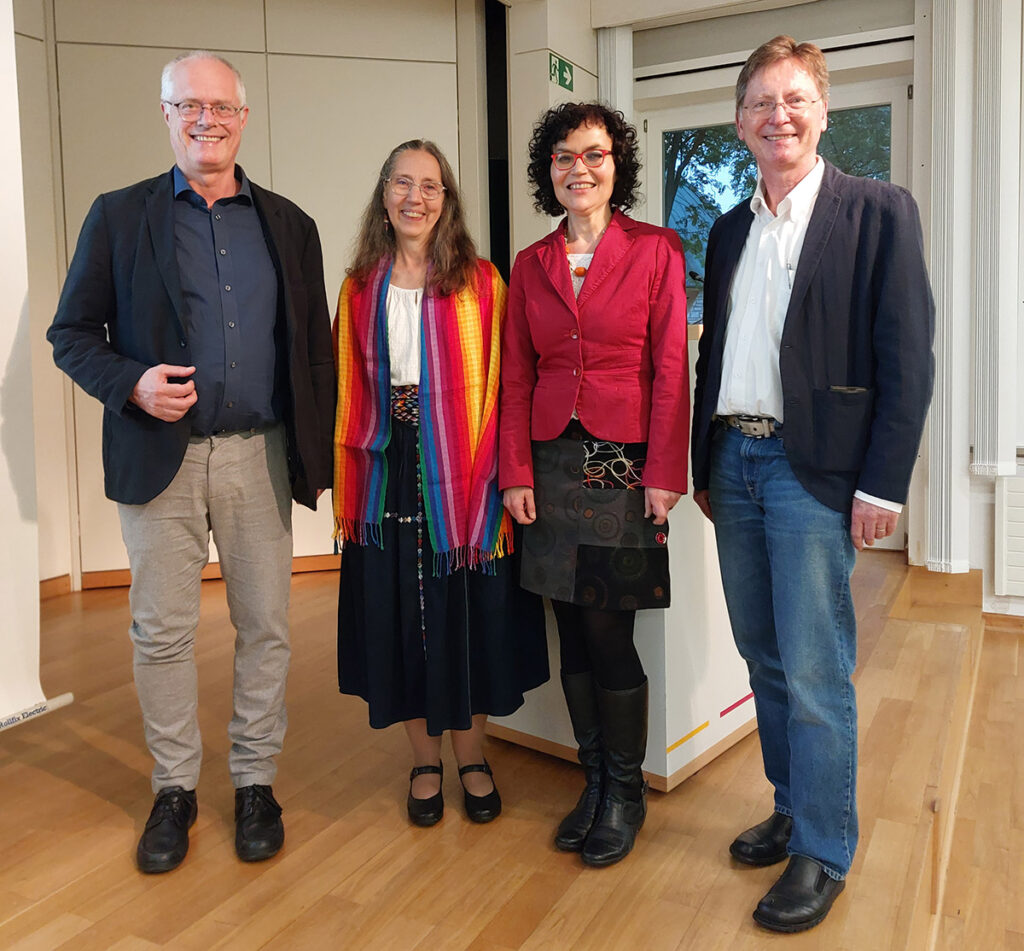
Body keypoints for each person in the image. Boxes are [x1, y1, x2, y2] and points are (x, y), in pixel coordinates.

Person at [47, 51, 336, 873]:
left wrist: (318, 458)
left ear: (243, 119)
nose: (206, 119)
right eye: (189, 106)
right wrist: (131, 382)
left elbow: (312, 352)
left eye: (221, 107)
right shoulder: (117, 215)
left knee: (267, 628)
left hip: (260, 455)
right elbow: (71, 335)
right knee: (162, 633)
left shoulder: (289, 223)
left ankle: (254, 784)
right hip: (157, 460)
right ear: (166, 115)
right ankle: (173, 788)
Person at [691, 36, 935, 933]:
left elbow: (907, 362)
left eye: (794, 99)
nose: (777, 115)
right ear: (741, 121)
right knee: (762, 656)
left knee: (816, 664)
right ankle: (795, 804)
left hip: (813, 471)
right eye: (759, 102)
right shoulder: (726, 229)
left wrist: (884, 485)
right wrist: (701, 461)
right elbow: (716, 352)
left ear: (823, 111)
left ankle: (825, 849)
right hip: (734, 463)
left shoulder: (878, 212)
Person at [334, 140, 547, 828]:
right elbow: (341, 387)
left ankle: (473, 755)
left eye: (430, 186)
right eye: (403, 183)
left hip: (466, 474)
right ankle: (425, 759)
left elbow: (512, 384)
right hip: (384, 468)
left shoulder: (484, 282)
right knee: (400, 616)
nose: (415, 198)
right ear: (384, 195)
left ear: (447, 202)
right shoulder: (359, 286)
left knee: (468, 614)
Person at [500, 103, 689, 867]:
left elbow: (672, 367)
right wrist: (514, 470)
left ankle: (627, 790)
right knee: (568, 624)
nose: (579, 168)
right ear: (549, 172)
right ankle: (593, 781)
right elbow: (515, 375)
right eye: (563, 157)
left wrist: (665, 473)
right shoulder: (529, 263)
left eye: (594, 154)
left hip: (621, 455)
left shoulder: (655, 250)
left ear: (617, 164)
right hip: (548, 458)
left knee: (609, 625)